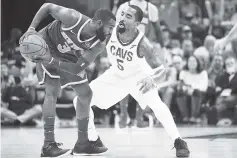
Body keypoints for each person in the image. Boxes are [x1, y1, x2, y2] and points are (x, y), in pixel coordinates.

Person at [74, 5, 190, 157]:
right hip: (116, 74)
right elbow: (92, 47)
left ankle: (179, 141)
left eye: (128, 16)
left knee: (157, 105)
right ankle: (94, 140)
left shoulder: (143, 44)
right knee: (80, 100)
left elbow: (163, 72)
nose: (122, 18)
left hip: (139, 78)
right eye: (122, 14)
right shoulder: (110, 31)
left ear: (137, 24)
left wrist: (152, 79)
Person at [19, 3, 115, 157]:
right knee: (52, 91)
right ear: (97, 23)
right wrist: (31, 29)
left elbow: (77, 68)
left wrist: (53, 61)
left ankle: (82, 144)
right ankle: (48, 145)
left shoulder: (100, 42)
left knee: (85, 94)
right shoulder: (72, 17)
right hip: (47, 46)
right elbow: (47, 6)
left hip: (67, 57)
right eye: (110, 27)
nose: (111, 31)